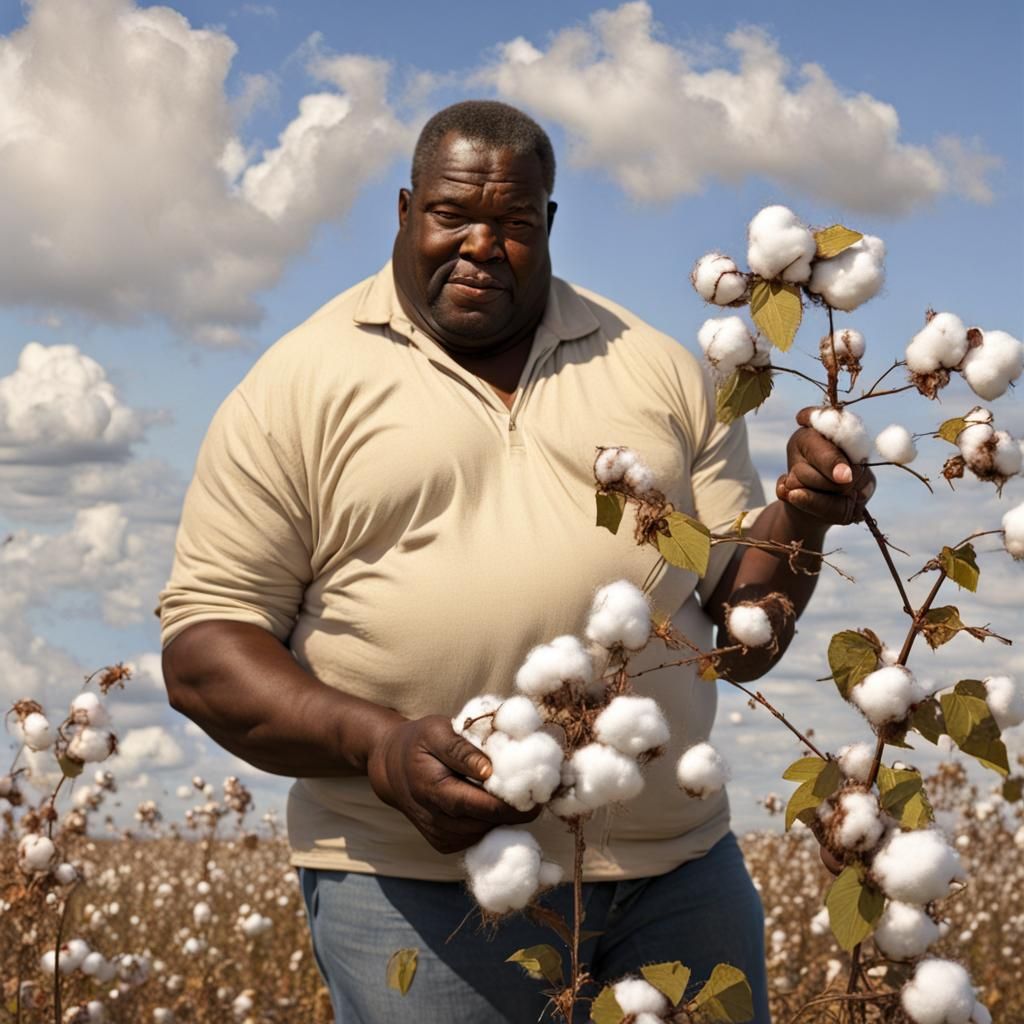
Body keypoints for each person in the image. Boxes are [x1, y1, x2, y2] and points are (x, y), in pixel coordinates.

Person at [159, 100, 874, 1023]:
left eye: (514, 223)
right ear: (408, 210)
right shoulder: (297, 386)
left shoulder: (657, 368)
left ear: (549, 225)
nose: (482, 245)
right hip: (417, 889)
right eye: (454, 216)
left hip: (680, 880)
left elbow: (743, 632)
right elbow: (204, 654)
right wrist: (379, 747)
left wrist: (803, 521)